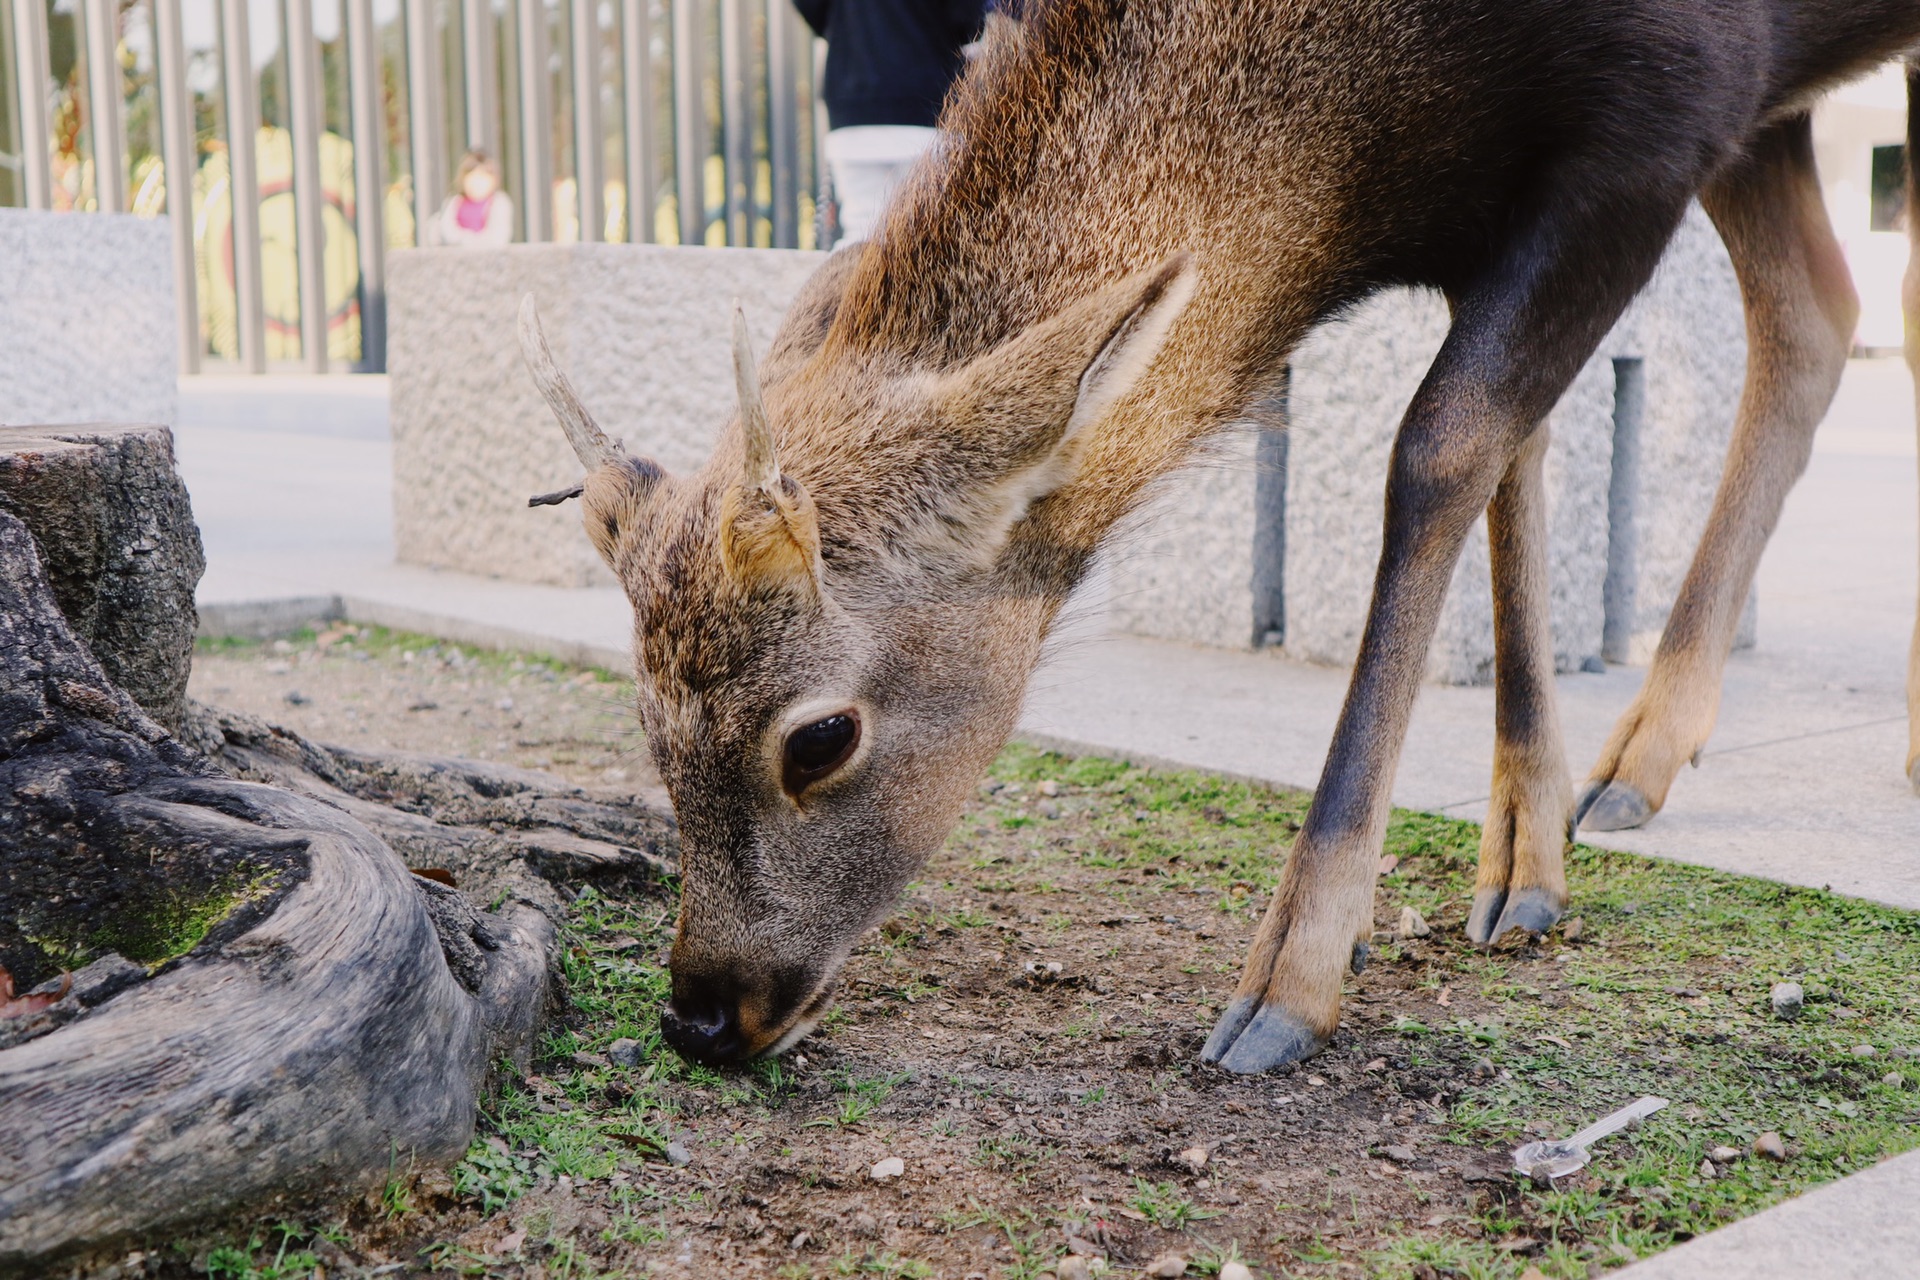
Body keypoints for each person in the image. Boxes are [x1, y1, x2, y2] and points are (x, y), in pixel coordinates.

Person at [792, 0, 1001, 243]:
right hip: (928, 107)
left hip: (852, 105)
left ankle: (843, 281)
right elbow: (967, 20)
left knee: (860, 233)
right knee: (931, 239)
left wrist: (844, 26)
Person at [433, 150, 514, 247]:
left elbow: (499, 237)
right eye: (472, 178)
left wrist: (471, 241)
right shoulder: (454, 202)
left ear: (493, 180)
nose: (476, 183)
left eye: (482, 178)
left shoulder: (499, 203)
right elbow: (446, 232)